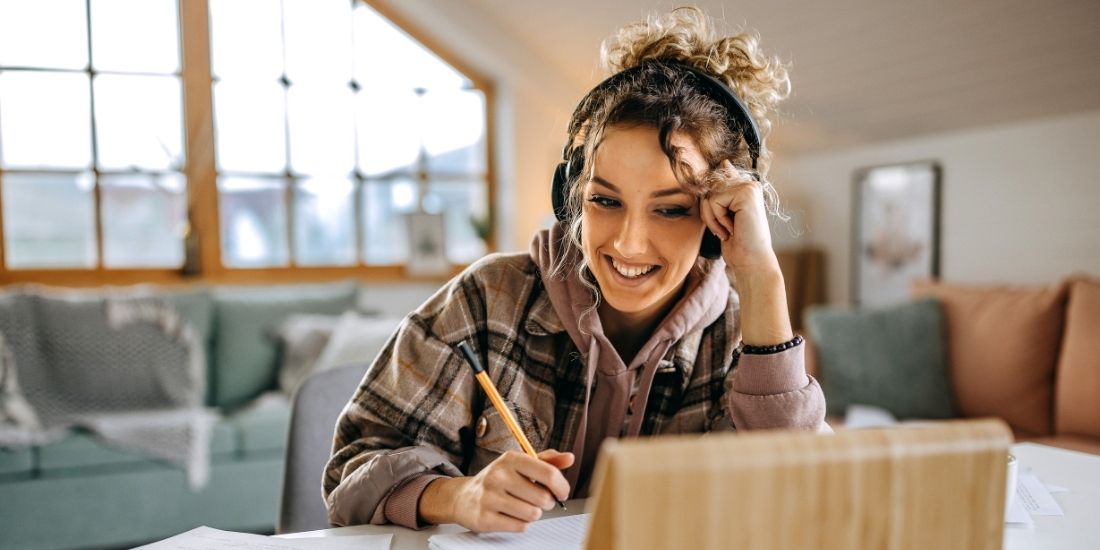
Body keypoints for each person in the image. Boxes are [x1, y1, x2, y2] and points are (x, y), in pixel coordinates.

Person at [324, 7, 826, 534]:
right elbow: (351, 474)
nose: (630, 243)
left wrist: (763, 278)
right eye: (605, 201)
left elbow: (791, 491)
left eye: (672, 208)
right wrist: (458, 496)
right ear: (570, 198)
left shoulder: (743, 334)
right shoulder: (487, 299)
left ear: (712, 218)